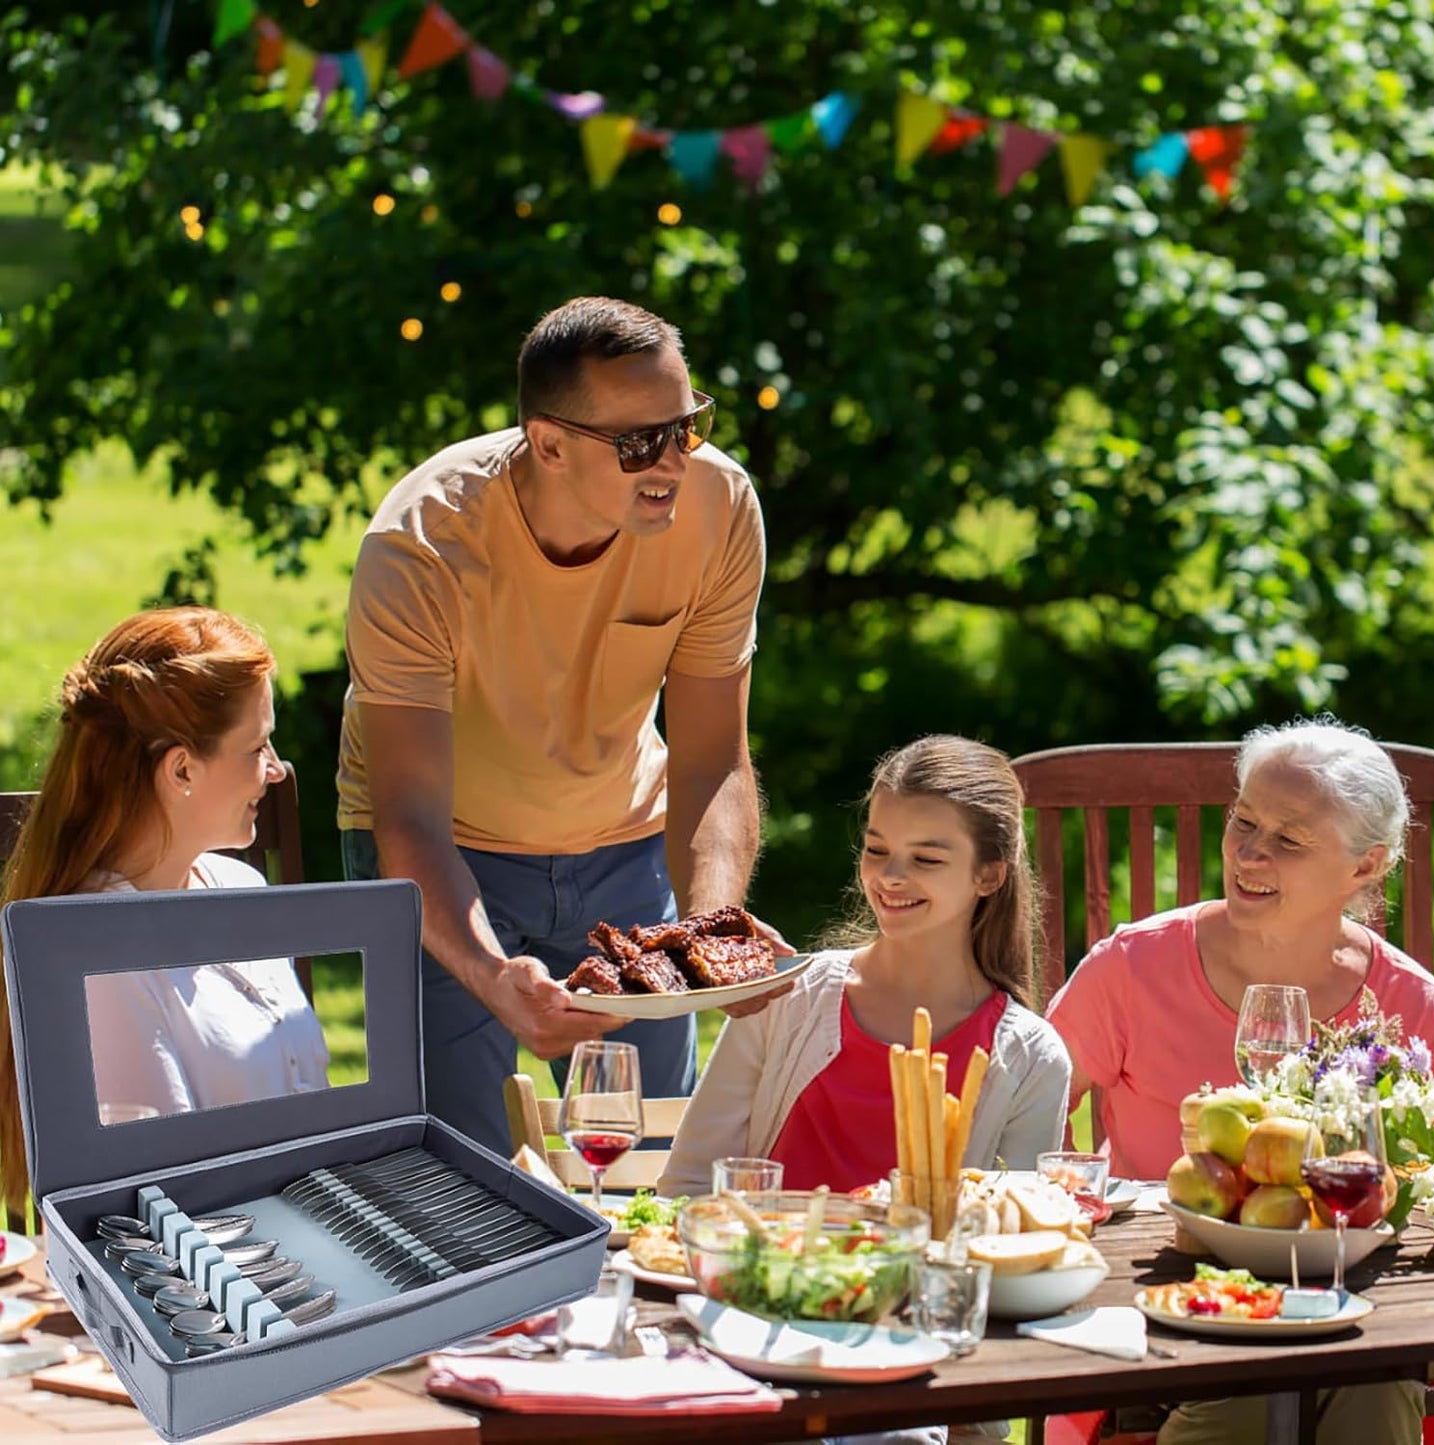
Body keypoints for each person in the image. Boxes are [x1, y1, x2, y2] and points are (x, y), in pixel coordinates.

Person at [337, 295, 782, 1156]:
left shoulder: (720, 505)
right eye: (639, 442)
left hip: (623, 842)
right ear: (548, 444)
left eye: (685, 427)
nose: (673, 461)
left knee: (650, 1156)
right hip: (444, 853)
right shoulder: (420, 545)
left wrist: (711, 930)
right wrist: (488, 972)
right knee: (454, 1166)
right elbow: (409, 816)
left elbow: (710, 760)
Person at [1046, 717, 1434, 1445]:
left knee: (1374, 1381)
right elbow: (1024, 1123)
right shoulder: (1131, 970)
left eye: (1289, 839)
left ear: (1365, 866)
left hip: (1351, 1315)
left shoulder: (1406, 1004)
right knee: (1261, 1391)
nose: (1249, 852)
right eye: (1243, 820)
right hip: (1168, 1311)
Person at [0, 607, 329, 1217]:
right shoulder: (101, 954)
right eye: (256, 746)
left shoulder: (241, 886)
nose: (276, 769)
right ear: (181, 769)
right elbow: (159, 1200)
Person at [662, 734, 1071, 1199]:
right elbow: (689, 1185)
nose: (890, 877)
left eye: (926, 859)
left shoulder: (1033, 1059)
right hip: (758, 1248)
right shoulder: (783, 996)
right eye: (877, 850)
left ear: (989, 875)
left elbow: (1015, 1226)